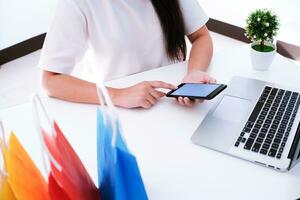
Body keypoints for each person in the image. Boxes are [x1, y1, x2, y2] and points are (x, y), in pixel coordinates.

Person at [39, 0, 215, 109]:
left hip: (169, 102)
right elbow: (50, 80)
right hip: (113, 108)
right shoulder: (76, 3)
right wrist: (118, 95)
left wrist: (194, 72)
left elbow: (201, 37)